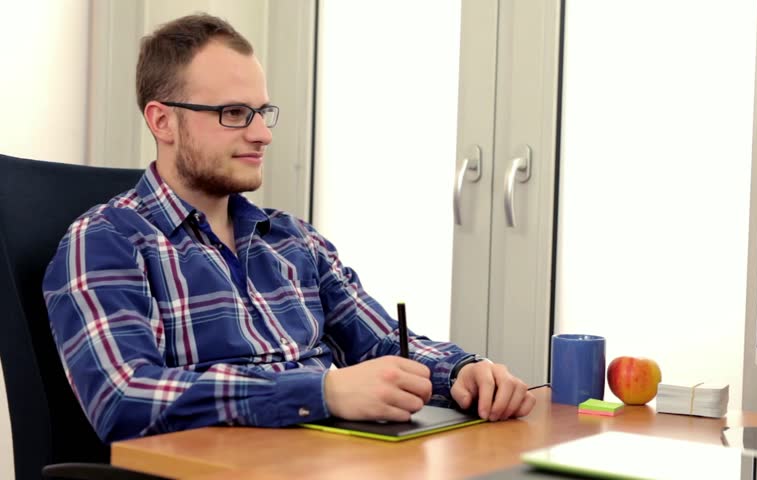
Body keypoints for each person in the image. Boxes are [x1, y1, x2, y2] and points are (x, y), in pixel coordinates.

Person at [42, 13, 535, 443]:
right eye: (234, 113)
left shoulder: (294, 240)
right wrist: (321, 391)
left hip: (327, 461)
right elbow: (124, 397)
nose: (262, 133)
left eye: (261, 112)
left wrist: (464, 372)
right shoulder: (107, 241)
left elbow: (382, 341)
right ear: (163, 121)